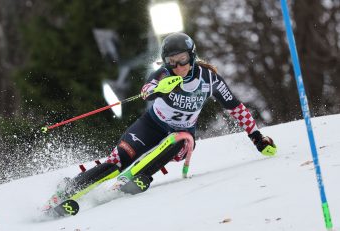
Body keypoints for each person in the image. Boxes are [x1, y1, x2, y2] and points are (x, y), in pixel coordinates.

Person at [45, 32, 276, 208]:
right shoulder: (165, 74)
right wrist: (156, 89)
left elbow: (235, 107)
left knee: (181, 138)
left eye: (183, 60)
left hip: (181, 137)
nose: (178, 67)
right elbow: (148, 88)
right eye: (172, 61)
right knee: (117, 161)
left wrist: (257, 137)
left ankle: (141, 175)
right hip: (151, 125)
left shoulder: (209, 79)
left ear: (192, 56)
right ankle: (70, 189)